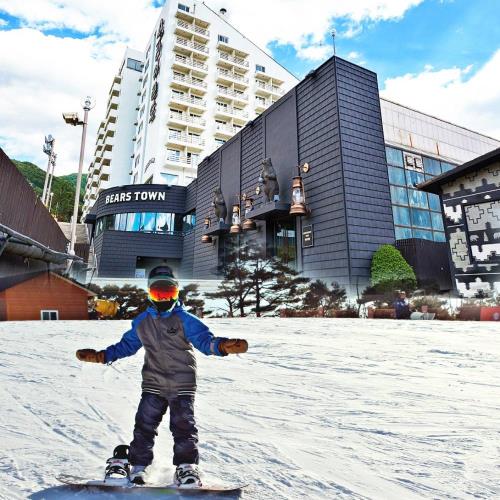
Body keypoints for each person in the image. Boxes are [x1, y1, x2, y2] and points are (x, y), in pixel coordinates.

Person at [75, 266, 248, 488]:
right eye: (159, 293)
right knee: (144, 425)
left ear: (177, 293)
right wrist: (102, 355)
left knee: (184, 426)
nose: (164, 298)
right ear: (150, 293)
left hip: (182, 383)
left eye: (169, 293)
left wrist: (222, 346)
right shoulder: (141, 322)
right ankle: (138, 467)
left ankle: (186, 467)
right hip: (153, 383)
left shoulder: (186, 319)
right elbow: (127, 346)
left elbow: (205, 341)